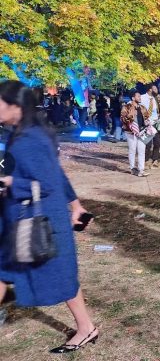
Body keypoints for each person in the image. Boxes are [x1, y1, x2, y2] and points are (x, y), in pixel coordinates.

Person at [0, 80, 98, 353]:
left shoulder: (30, 138)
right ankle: (86, 327)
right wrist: (76, 205)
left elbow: (46, 183)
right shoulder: (20, 133)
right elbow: (57, 172)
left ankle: (86, 328)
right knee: (7, 271)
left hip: (36, 220)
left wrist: (8, 183)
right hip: (20, 217)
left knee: (60, 277)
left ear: (15, 106)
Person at [120, 92, 151, 177]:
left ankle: (141, 169)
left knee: (141, 150)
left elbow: (147, 117)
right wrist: (131, 118)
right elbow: (123, 118)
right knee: (132, 150)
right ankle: (132, 168)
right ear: (133, 98)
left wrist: (147, 122)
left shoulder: (142, 108)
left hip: (142, 132)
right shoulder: (127, 107)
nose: (140, 97)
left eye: (140, 96)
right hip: (131, 132)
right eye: (138, 96)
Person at [141, 85, 160, 169]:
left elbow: (159, 110)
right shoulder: (142, 97)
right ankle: (146, 160)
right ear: (150, 89)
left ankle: (155, 160)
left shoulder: (155, 98)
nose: (157, 90)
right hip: (147, 123)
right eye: (155, 89)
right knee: (148, 144)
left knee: (157, 142)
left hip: (155, 123)